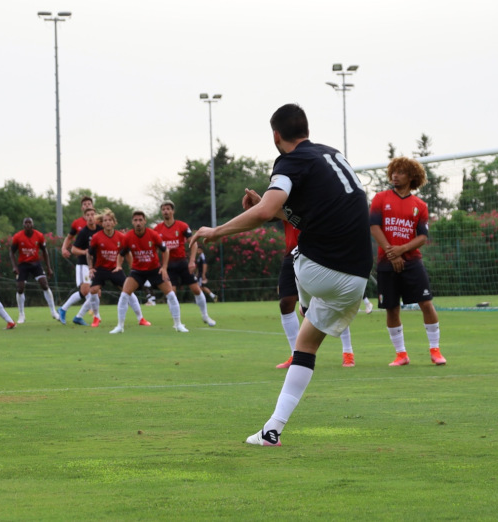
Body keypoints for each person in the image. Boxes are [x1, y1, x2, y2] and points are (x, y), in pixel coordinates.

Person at [190, 103, 371, 446]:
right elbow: (305, 212)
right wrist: (272, 209)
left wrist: (216, 231)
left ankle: (305, 302)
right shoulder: (332, 155)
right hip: (359, 278)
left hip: (317, 270)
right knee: (305, 346)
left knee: (297, 255)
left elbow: (267, 211)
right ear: (306, 128)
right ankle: (271, 430)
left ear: (276, 135)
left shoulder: (289, 161)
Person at [370, 156, 447, 367]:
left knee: (426, 303)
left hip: (412, 262)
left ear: (412, 176)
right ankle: (401, 354)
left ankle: (435, 350)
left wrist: (402, 250)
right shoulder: (380, 198)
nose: (395, 175)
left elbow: (422, 236)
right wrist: (391, 253)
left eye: (401, 172)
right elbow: (374, 227)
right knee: (392, 308)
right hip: (386, 262)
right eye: (393, 171)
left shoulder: (420, 205)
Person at [271, 220, 356, 369]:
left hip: (318, 254)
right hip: (292, 253)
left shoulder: (318, 199)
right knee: (285, 302)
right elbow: (270, 212)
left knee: (333, 300)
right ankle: (295, 354)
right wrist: (260, 204)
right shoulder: (286, 199)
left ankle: (347, 352)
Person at [109, 210, 188, 334]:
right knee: (124, 295)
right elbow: (121, 253)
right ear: (132, 222)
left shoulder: (153, 234)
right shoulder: (128, 237)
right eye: (135, 220)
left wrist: (164, 267)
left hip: (154, 270)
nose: (138, 223)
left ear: (145, 221)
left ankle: (178, 325)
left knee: (171, 295)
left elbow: (165, 250)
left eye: (140, 220)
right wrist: (118, 265)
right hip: (137, 271)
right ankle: (120, 326)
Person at [81, 209, 149, 327]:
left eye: (110, 220)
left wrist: (133, 267)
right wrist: (91, 267)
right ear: (102, 223)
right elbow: (89, 253)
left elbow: (127, 253)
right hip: (101, 269)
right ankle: (96, 317)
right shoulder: (96, 237)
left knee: (128, 291)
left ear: (114, 222)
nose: (107, 222)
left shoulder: (121, 237)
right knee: (93, 290)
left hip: (115, 269)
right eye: (105, 220)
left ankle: (141, 318)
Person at [153, 200, 216, 326]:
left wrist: (192, 261)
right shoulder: (157, 229)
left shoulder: (182, 226)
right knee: (171, 292)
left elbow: (193, 243)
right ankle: (177, 322)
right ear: (162, 212)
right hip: (168, 266)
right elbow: (153, 249)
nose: (166, 211)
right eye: (163, 209)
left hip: (182, 263)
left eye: (168, 208)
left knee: (196, 289)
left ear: (173, 211)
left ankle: (205, 316)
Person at [9, 217, 58, 323]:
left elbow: (45, 251)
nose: (27, 225)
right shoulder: (18, 236)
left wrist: (48, 267)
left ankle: (53, 311)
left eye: (29, 223)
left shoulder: (39, 235)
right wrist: (14, 266)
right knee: (20, 288)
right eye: (25, 223)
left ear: (32, 224)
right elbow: (11, 252)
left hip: (36, 264)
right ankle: (21, 314)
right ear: (23, 225)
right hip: (23, 265)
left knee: (44, 284)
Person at [58, 196, 96, 324]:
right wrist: (64, 248)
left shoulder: (98, 222)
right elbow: (69, 237)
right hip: (82, 262)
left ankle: (79, 316)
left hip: (95, 262)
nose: (87, 205)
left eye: (89, 203)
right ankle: (64, 310)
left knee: (94, 292)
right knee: (86, 291)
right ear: (82, 208)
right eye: (85, 204)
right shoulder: (77, 223)